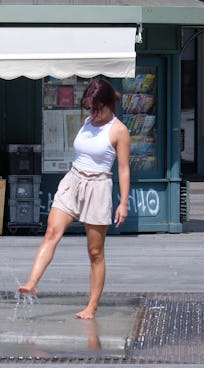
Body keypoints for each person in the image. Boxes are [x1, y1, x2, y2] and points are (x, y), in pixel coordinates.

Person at [18, 78, 130, 319]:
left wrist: (123, 202)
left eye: (96, 108)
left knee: (95, 252)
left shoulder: (119, 130)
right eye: (89, 107)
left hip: (98, 187)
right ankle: (32, 283)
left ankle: (92, 306)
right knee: (51, 232)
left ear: (109, 104)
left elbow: (123, 169)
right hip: (73, 181)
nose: (91, 113)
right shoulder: (88, 121)